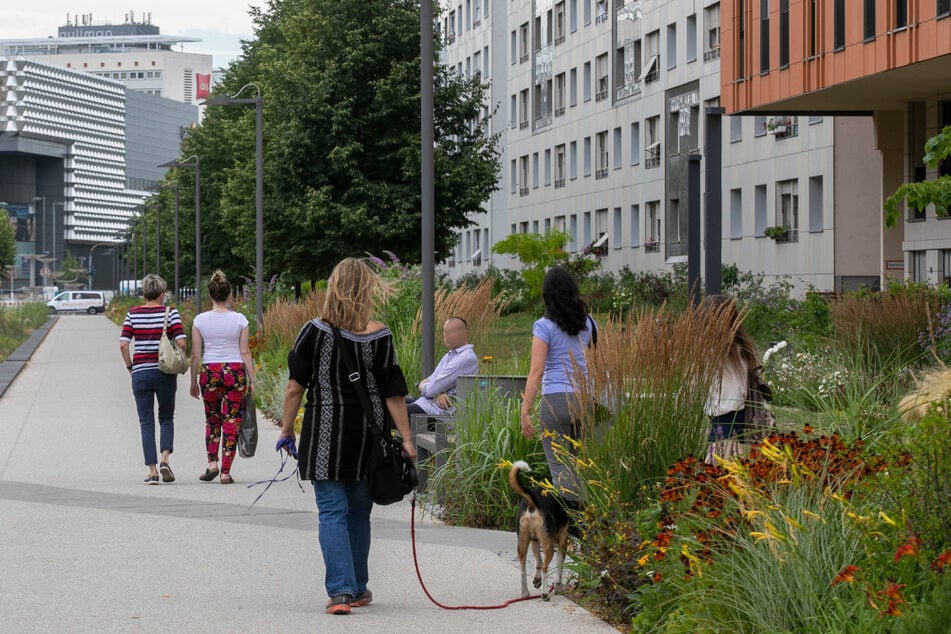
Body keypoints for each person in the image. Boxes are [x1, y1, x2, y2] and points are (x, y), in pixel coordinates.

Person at [278, 258, 416, 616]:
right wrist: (407, 439)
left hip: (325, 433)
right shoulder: (380, 335)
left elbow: (295, 387)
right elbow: (393, 393)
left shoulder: (313, 331)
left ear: (333, 286)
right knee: (359, 512)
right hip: (369, 437)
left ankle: (340, 592)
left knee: (332, 512)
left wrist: (286, 428)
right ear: (368, 289)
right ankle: (356, 588)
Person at [519, 267, 596, 510]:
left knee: (560, 465)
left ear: (547, 296)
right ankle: (588, 521)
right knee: (582, 464)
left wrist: (525, 408)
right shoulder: (589, 324)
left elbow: (537, 371)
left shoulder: (543, 326)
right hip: (586, 400)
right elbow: (595, 363)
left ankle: (571, 524)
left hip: (556, 401)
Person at [119, 274, 187, 484]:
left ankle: (153, 471)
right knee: (166, 417)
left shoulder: (133, 314)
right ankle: (165, 458)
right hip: (164, 372)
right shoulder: (170, 313)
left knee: (146, 422)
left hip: (140, 373)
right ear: (161, 293)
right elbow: (182, 342)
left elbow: (123, 344)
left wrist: (131, 366)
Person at [189, 270, 255, 484]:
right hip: (234, 372)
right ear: (229, 296)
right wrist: (252, 379)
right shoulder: (240, 320)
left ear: (210, 296)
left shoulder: (200, 320)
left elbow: (196, 354)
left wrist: (193, 381)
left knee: (212, 419)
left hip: (209, 372)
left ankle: (212, 463)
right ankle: (225, 471)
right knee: (232, 420)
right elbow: (245, 352)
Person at [703, 294, 759, 464]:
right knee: (727, 471)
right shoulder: (743, 349)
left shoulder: (712, 353)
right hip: (737, 418)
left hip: (724, 420)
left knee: (717, 474)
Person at [405, 316, 479, 418]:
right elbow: (433, 381)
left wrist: (420, 385)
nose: (446, 336)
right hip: (427, 403)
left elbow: (430, 389)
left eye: (450, 332)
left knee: (390, 410)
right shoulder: (451, 354)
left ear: (464, 333)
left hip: (438, 414)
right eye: (445, 332)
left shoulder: (466, 358)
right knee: (390, 400)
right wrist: (439, 392)